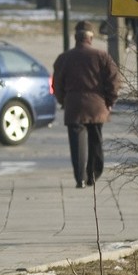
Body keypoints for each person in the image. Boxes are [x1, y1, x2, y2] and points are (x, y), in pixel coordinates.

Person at [52, 20, 121, 188]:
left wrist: (63, 101)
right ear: (90, 37)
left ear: (76, 37)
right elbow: (114, 80)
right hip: (97, 106)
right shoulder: (102, 56)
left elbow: (57, 84)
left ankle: (80, 178)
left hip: (74, 106)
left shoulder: (64, 58)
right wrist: (110, 101)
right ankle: (93, 175)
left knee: (77, 144)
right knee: (95, 141)